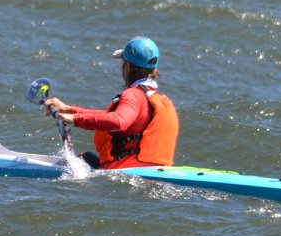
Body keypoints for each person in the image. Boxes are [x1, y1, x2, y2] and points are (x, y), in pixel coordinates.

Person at [42, 36, 179, 169]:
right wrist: (69, 110)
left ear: (128, 66)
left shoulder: (133, 94)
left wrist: (75, 119)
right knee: (86, 157)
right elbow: (112, 115)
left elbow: (119, 120)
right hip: (157, 170)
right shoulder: (160, 99)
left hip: (127, 171)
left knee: (82, 159)